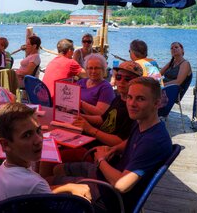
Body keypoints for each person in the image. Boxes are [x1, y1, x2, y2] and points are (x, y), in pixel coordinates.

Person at [53, 77, 172, 212]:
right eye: (130, 97)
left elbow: (121, 185)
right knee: (57, 169)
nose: (132, 104)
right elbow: (130, 141)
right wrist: (114, 149)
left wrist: (101, 160)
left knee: (49, 184)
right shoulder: (144, 123)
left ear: (156, 103)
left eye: (140, 99)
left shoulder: (153, 142)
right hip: (105, 177)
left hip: (109, 198)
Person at [0, 103, 92, 204]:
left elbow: (35, 192)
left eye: (38, 130)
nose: (39, 140)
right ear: (5, 144)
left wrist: (68, 187)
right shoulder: (35, 183)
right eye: (27, 135)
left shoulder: (1, 172)